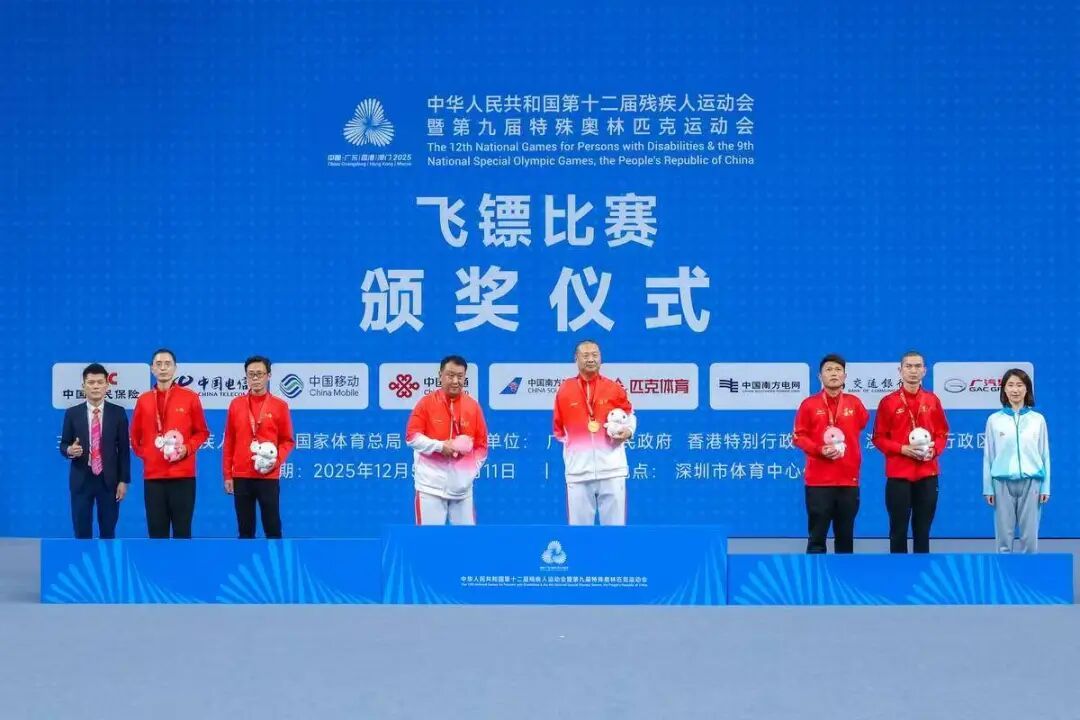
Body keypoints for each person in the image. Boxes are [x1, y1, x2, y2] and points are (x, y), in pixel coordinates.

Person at [872, 350, 949, 553]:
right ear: (900, 370)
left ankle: (921, 570)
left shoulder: (932, 400)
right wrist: (902, 449)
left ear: (924, 370)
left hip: (927, 474)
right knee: (897, 531)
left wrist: (934, 450)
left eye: (917, 366)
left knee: (922, 531)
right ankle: (898, 571)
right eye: (908, 366)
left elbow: (942, 433)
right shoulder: (888, 402)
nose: (913, 371)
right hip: (899, 475)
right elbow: (878, 438)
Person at [553, 339, 636, 525]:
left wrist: (628, 431)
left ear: (601, 359)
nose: (591, 359)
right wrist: (579, 448)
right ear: (576, 359)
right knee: (579, 534)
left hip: (613, 470)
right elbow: (559, 429)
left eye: (595, 355)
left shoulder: (614, 388)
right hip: (578, 473)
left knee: (615, 532)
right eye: (585, 355)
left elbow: (629, 415)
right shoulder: (565, 390)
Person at [792, 354, 869, 553]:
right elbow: (799, 437)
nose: (833, 373)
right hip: (818, 481)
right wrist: (819, 449)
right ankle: (815, 572)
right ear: (820, 376)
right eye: (828, 370)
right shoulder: (809, 405)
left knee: (845, 538)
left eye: (838, 370)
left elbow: (862, 423)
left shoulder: (855, 404)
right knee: (817, 538)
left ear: (845, 376)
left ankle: (843, 573)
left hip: (848, 480)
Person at [130, 348, 209, 538]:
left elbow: (202, 432)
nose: (163, 368)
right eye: (158, 364)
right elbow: (134, 436)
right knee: (156, 534)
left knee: (182, 533)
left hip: (183, 477)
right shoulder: (143, 400)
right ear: (152, 369)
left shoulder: (190, 397)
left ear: (175, 368)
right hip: (153, 478)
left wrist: (187, 449)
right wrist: (149, 455)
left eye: (167, 364)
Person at [405, 355, 488, 525]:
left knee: (467, 539)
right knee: (429, 539)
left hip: (462, 492)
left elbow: (482, 447)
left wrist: (467, 475)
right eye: (450, 375)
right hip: (429, 489)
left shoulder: (473, 407)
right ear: (440, 375)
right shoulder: (426, 403)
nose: (455, 381)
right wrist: (440, 446)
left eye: (460, 376)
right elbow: (411, 437)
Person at [222, 356, 295, 538]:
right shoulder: (236, 404)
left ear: (268, 376)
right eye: (251, 374)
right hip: (241, 476)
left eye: (260, 374)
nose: (255, 378)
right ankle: (246, 556)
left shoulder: (280, 406)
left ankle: (276, 557)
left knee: (273, 528)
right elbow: (229, 440)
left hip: (268, 476)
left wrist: (275, 462)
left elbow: (287, 440)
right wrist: (228, 475)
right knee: (245, 530)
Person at [58, 363, 131, 539]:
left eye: (100, 382)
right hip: (81, 479)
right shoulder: (72, 413)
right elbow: (64, 444)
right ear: (83, 386)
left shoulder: (118, 413)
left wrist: (123, 481)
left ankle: (106, 558)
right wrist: (70, 450)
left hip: (109, 481)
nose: (95, 386)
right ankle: (84, 557)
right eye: (91, 382)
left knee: (108, 530)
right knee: (81, 531)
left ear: (107, 385)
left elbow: (123, 450)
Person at [983, 368, 1050, 553]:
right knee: (1003, 538)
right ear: (1004, 389)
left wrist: (1045, 487)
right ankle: (1004, 570)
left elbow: (1045, 454)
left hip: (1032, 482)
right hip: (1001, 483)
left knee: (1030, 537)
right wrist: (988, 487)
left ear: (1027, 389)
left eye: (1020, 385)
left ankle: (1028, 570)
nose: (1015, 390)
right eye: (1010, 385)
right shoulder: (994, 420)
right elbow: (988, 456)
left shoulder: (1038, 420)